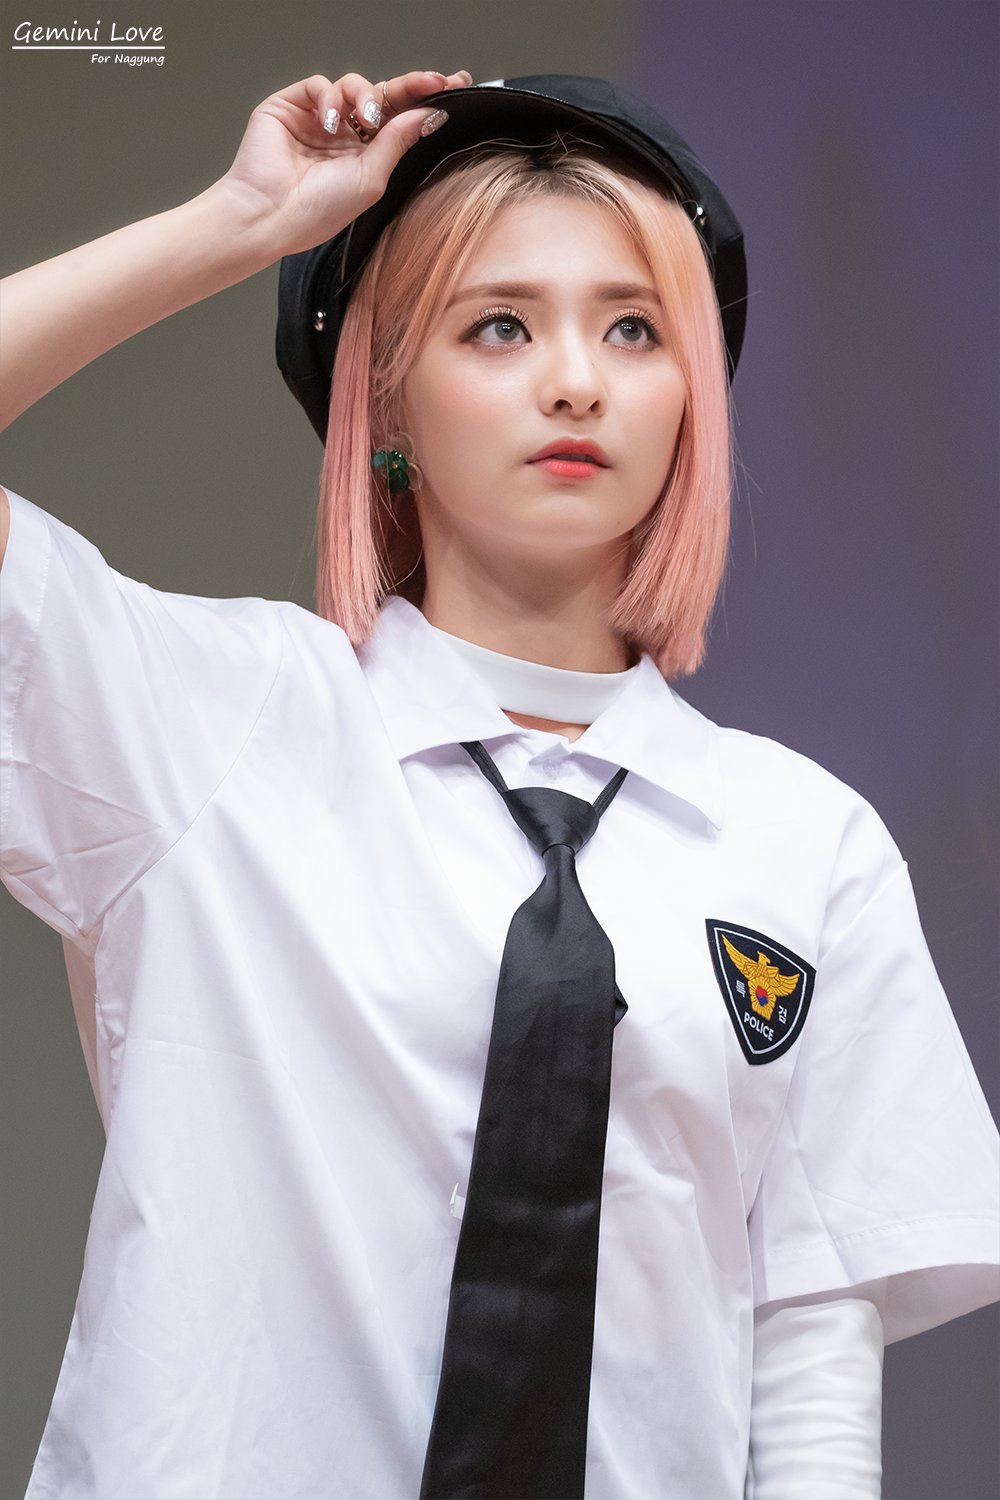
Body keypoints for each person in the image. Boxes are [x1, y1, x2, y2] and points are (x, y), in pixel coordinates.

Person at [0, 66, 997, 1500]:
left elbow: (810, 1352)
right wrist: (236, 225)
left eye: (635, 327)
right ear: (385, 398)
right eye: (500, 325)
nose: (575, 378)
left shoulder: (806, 841)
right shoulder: (214, 722)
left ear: (690, 402)